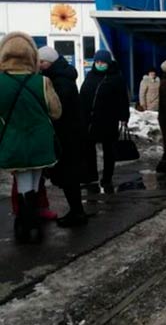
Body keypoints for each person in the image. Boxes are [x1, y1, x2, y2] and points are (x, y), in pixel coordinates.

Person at [0, 32, 62, 240]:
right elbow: (56, 112)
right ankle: (33, 221)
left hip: (13, 140)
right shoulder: (42, 82)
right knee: (35, 179)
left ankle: (24, 222)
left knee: (23, 180)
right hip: (40, 141)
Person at [38, 46, 88, 227]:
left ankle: (77, 213)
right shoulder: (62, 77)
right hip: (71, 135)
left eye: (42, 62)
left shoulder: (59, 82)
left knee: (69, 176)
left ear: (50, 62)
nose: (39, 66)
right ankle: (76, 211)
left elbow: (58, 111)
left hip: (67, 137)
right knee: (69, 176)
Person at [80, 49, 129, 193]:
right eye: (97, 61)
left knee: (109, 149)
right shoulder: (90, 76)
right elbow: (83, 95)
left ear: (108, 63)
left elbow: (123, 99)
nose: (100, 64)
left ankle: (107, 177)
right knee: (89, 148)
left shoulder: (116, 78)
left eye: (102, 62)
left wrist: (124, 117)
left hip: (108, 119)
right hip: (91, 119)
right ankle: (92, 175)